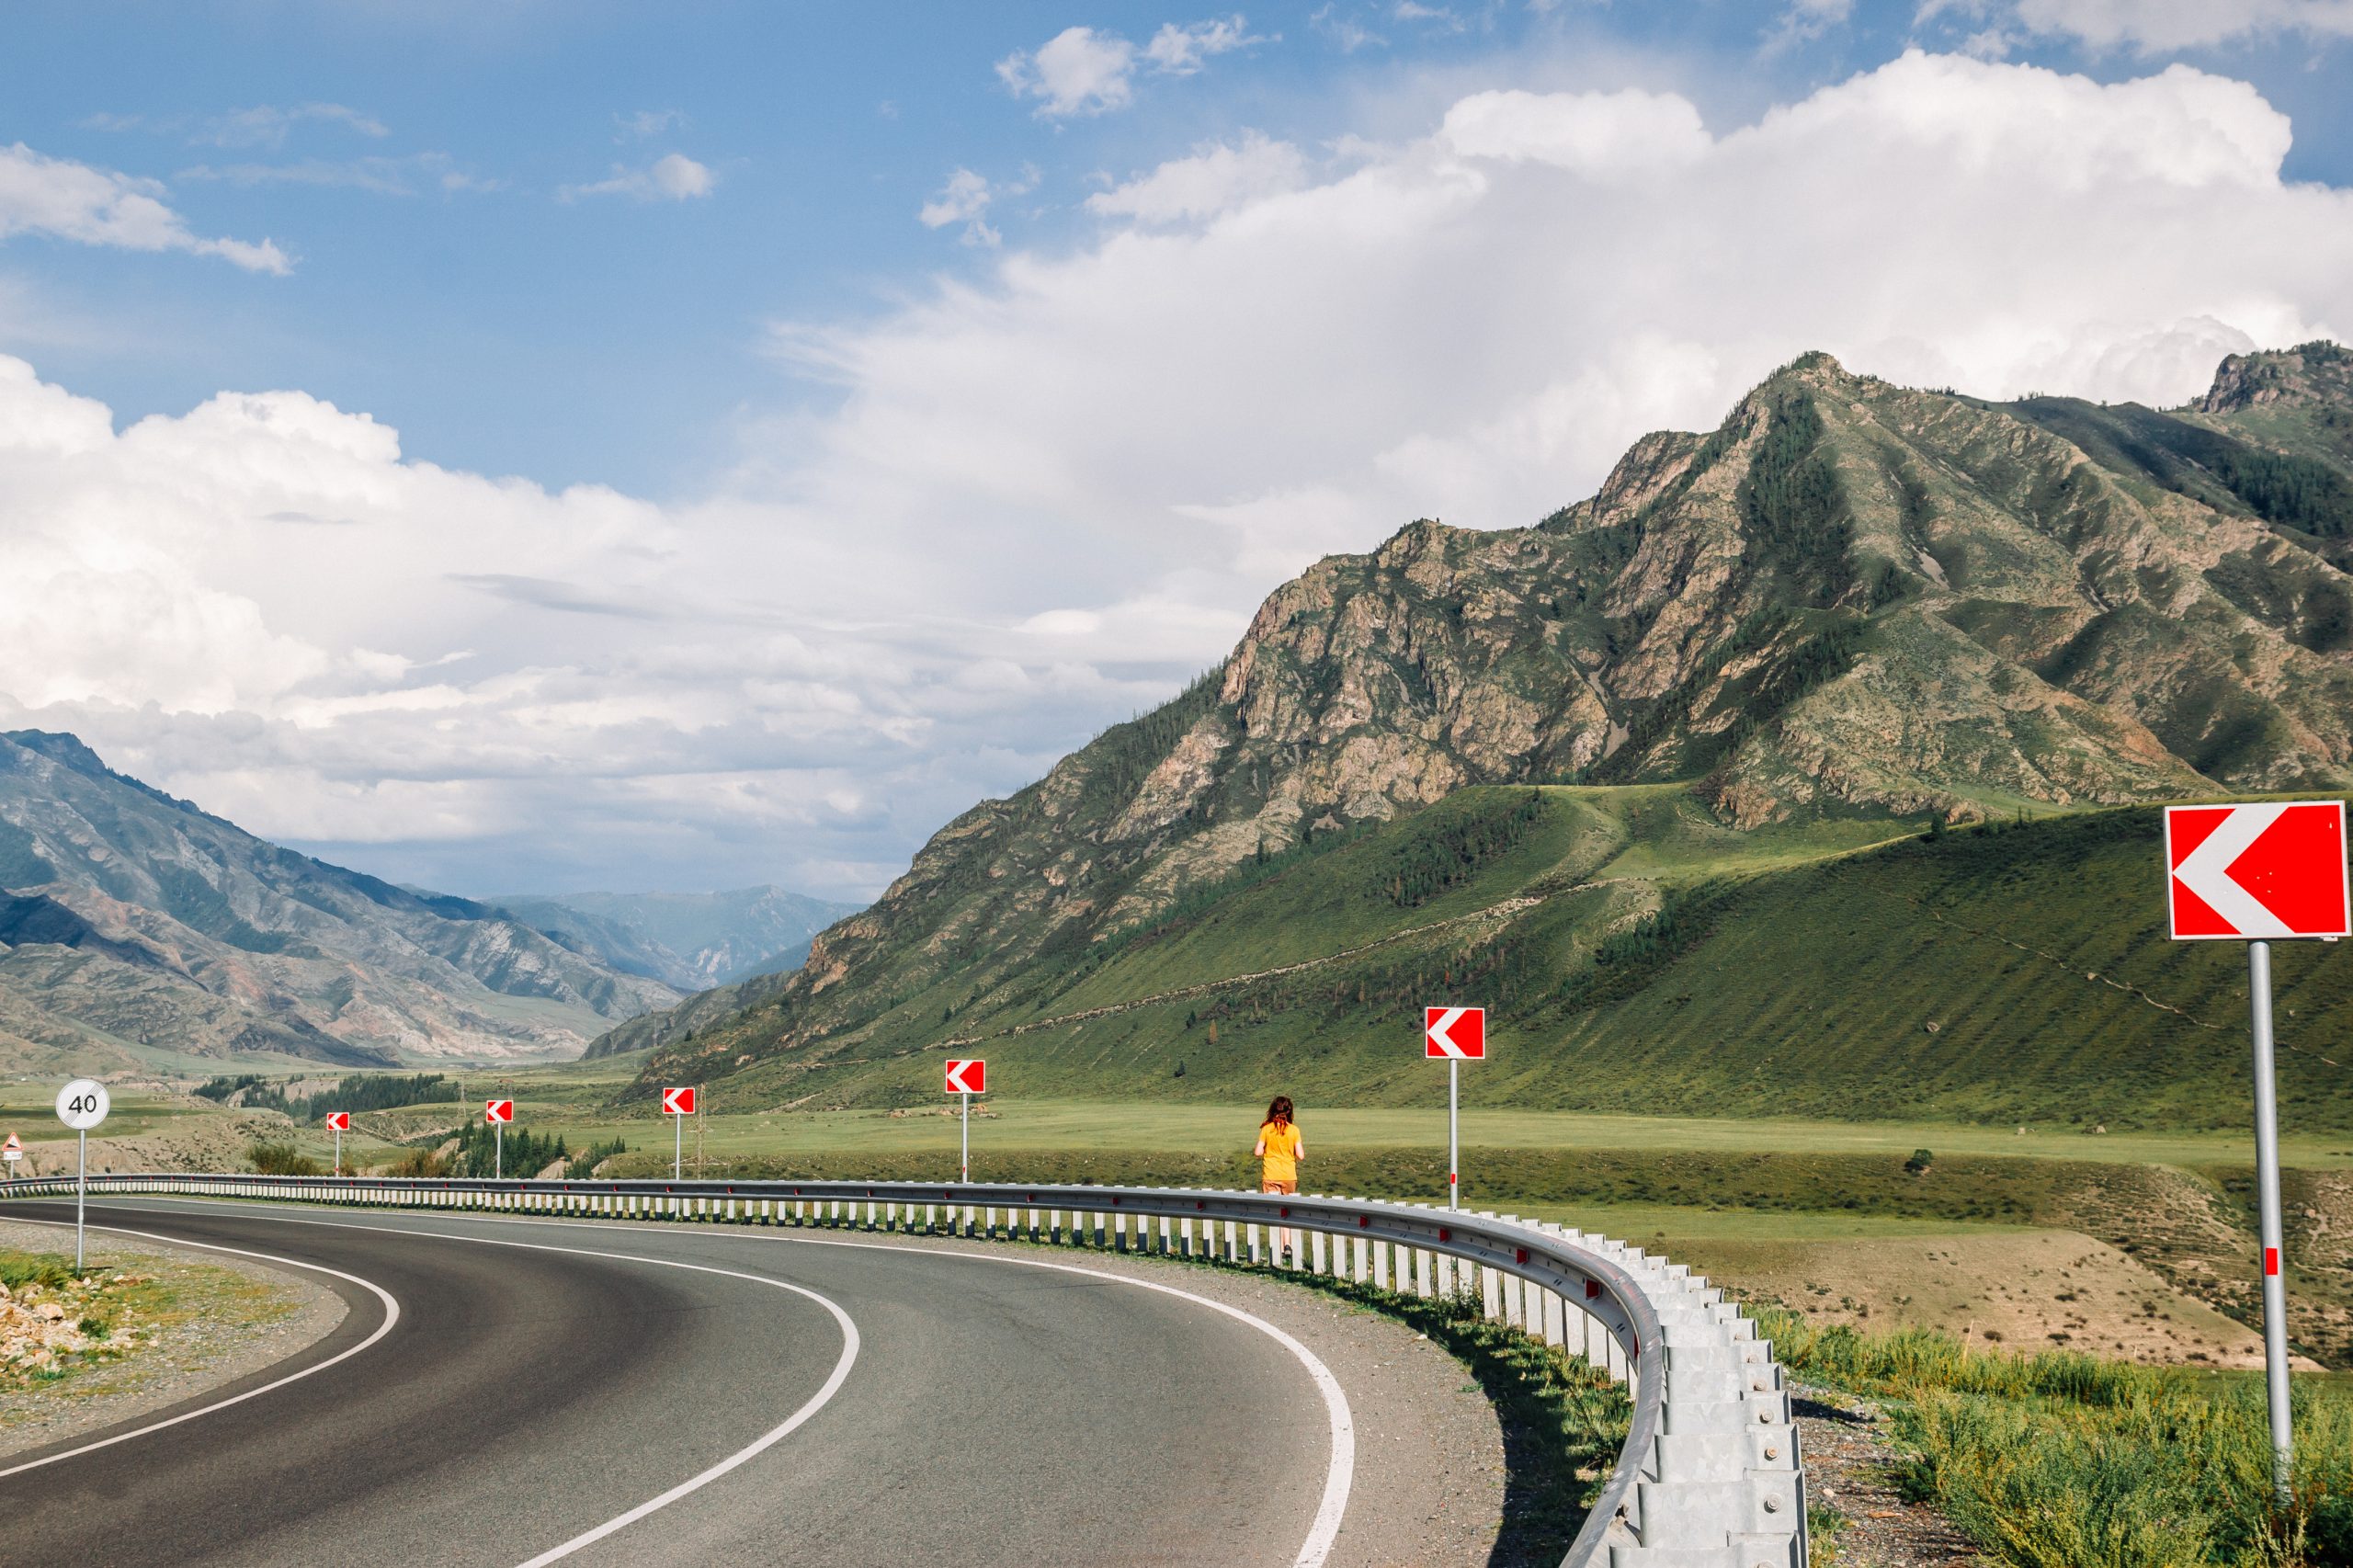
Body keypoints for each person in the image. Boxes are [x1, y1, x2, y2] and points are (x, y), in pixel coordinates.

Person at [1254, 1095, 1304, 1264]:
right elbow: (1301, 1155)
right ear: (1290, 1111)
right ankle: (1287, 1244)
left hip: (1271, 1175)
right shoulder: (1294, 1130)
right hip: (1289, 1176)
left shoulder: (1267, 1129)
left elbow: (1258, 1152)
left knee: (1276, 1213)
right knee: (1287, 1212)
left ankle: (1278, 1252)